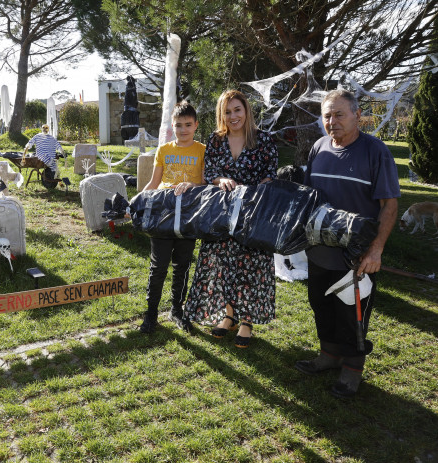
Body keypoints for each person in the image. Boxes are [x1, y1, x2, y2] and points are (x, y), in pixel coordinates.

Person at [296, 89, 399, 397]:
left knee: (351, 313)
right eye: (327, 115)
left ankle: (352, 370)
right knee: (321, 304)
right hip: (319, 249)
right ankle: (328, 355)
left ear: (357, 115)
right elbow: (309, 196)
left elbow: (389, 206)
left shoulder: (375, 152)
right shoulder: (319, 148)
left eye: (339, 114)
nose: (332, 121)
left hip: (356, 256)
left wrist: (376, 249)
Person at [184, 89, 278, 347]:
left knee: (251, 266)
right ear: (221, 115)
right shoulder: (216, 140)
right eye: (227, 111)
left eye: (237, 109)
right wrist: (220, 179)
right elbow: (210, 171)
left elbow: (271, 174)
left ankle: (246, 322)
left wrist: (254, 192)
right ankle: (229, 316)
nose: (233, 115)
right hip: (222, 214)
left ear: (246, 110)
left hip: (252, 213)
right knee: (223, 265)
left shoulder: (264, 139)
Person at [139, 101, 206, 333]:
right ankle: (151, 314)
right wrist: (137, 201)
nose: (183, 130)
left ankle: (177, 310)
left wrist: (192, 184)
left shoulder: (202, 150)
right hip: (164, 216)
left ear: (196, 125)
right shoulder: (164, 150)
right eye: (179, 125)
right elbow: (154, 183)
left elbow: (206, 184)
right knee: (158, 267)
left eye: (188, 125)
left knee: (183, 265)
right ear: (172, 126)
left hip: (188, 217)